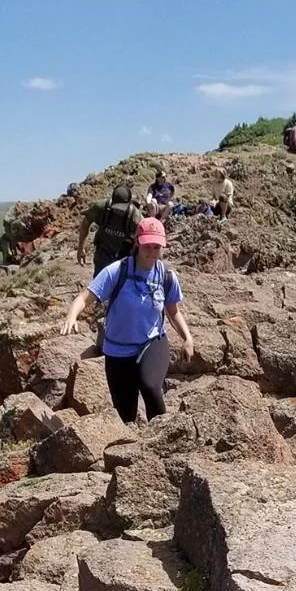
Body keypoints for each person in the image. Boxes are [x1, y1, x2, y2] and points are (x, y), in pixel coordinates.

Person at [61, 218, 194, 423]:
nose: (152, 251)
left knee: (150, 386)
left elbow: (173, 311)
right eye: (147, 246)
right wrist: (72, 316)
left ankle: (163, 438)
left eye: (157, 246)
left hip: (152, 341)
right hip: (117, 349)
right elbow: (84, 298)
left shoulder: (166, 276)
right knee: (126, 415)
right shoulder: (117, 271)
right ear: (137, 243)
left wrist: (187, 338)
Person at [78, 181, 140, 276]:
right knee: (100, 285)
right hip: (104, 253)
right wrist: (81, 246)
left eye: (122, 209)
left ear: (129, 204)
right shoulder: (101, 208)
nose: (119, 211)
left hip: (125, 255)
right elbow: (86, 223)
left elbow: (143, 238)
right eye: (116, 208)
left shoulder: (135, 217)